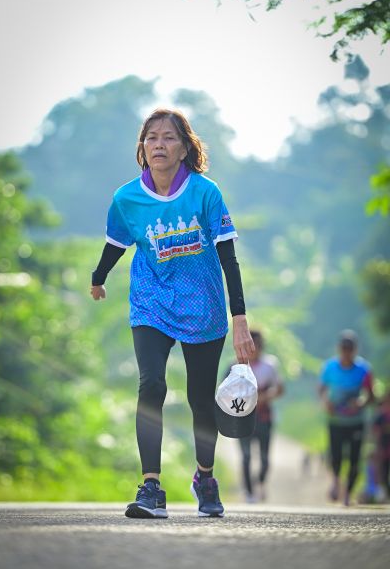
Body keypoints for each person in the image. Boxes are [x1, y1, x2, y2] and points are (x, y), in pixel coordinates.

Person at [91, 108, 254, 519]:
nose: (159, 144)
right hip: (152, 301)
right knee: (151, 385)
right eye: (151, 137)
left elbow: (228, 257)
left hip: (204, 305)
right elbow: (116, 243)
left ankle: (205, 478)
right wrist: (98, 277)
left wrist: (239, 319)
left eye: (168, 137)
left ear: (184, 149)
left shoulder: (205, 193)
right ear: (142, 148)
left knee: (201, 398)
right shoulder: (126, 198)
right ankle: (151, 487)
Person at [319, 329, 374, 506]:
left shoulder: (364, 369)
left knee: (354, 459)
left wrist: (360, 402)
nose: (346, 352)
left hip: (356, 422)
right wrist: (326, 402)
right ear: (339, 348)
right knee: (336, 455)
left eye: (350, 348)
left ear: (355, 349)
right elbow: (322, 389)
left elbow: (370, 395)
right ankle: (336, 481)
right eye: (344, 348)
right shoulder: (329, 367)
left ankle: (348, 494)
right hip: (335, 420)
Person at [237, 330, 284, 503]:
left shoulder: (270, 365)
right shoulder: (237, 365)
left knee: (265, 458)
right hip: (243, 418)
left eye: (258, 345)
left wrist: (265, 396)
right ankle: (249, 492)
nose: (255, 349)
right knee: (246, 456)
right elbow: (224, 391)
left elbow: (280, 388)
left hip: (264, 417)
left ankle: (261, 482)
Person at [373, 390, 390, 501]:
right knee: (383, 472)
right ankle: (385, 493)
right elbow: (375, 432)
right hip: (384, 449)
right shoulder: (380, 416)